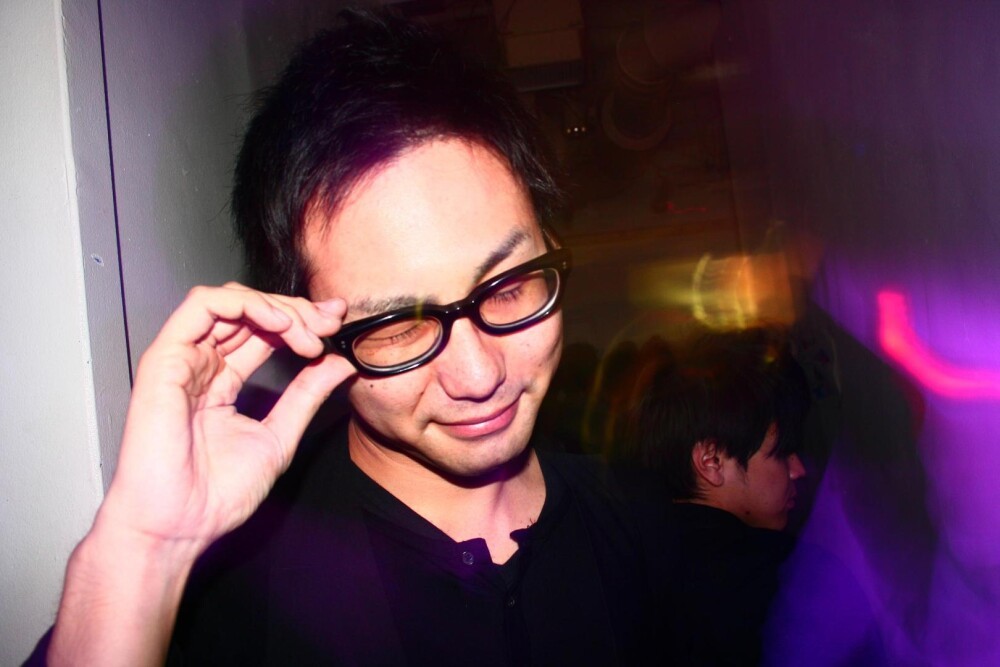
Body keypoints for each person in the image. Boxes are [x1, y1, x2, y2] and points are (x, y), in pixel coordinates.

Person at [30, 9, 655, 666]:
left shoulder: (658, 537)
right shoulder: (231, 600)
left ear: (552, 246)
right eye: (396, 325)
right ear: (312, 331)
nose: (479, 376)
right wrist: (145, 553)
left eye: (506, 287)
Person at [627, 325, 810, 666]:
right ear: (712, 461)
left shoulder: (625, 562)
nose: (798, 469)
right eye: (782, 453)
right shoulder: (781, 577)